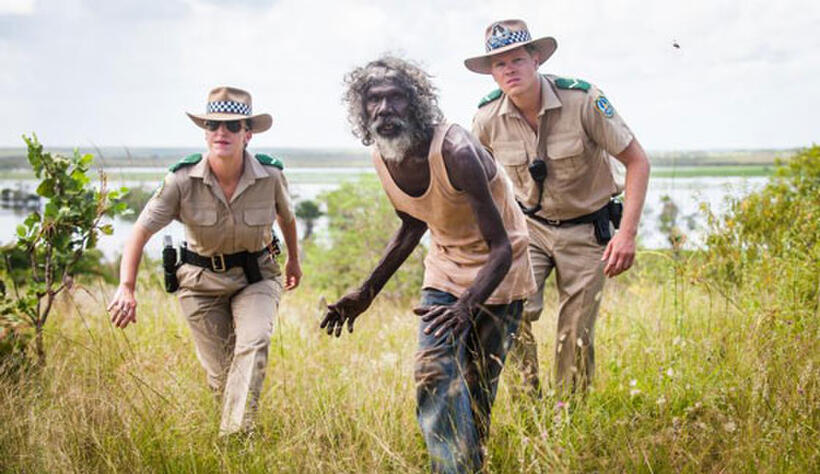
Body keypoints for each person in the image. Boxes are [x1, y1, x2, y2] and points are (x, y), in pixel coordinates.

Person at [320, 56, 535, 473]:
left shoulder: (457, 151)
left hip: (499, 274)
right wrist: (366, 292)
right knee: (434, 372)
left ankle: (469, 464)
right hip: (444, 268)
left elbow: (501, 248)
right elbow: (412, 223)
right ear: (361, 109)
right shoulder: (383, 155)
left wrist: (465, 307)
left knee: (476, 391)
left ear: (416, 103)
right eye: (373, 100)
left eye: (395, 98)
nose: (384, 110)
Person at [466, 19, 651, 398]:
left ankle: (568, 417)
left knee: (575, 332)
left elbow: (637, 161)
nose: (509, 70)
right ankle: (529, 405)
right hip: (527, 228)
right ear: (492, 74)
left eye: (517, 59)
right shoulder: (486, 118)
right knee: (507, 310)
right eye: (499, 65)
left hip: (587, 230)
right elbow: (479, 185)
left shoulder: (582, 100)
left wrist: (627, 234)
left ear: (536, 59)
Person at [107, 86, 301, 435]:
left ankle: (235, 439)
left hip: (257, 277)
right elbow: (140, 231)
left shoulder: (270, 177)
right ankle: (232, 431)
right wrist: (126, 287)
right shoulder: (180, 181)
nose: (221, 133)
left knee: (254, 344)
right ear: (205, 132)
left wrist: (293, 263)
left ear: (248, 133)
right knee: (223, 375)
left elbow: (287, 218)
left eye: (231, 126)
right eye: (213, 125)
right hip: (200, 284)